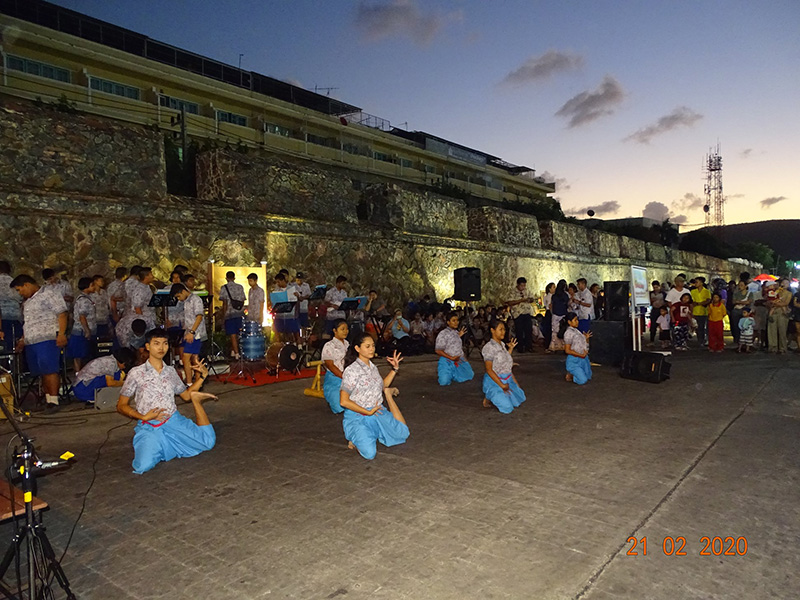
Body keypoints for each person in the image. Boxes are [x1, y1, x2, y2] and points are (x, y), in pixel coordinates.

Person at [117, 328, 217, 475]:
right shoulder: (136, 373)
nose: (161, 348)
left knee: (207, 442)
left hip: (173, 420)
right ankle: (161, 444)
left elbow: (186, 396)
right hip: (149, 425)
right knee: (142, 466)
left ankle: (198, 403)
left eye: (165, 343)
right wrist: (142, 417)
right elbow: (121, 406)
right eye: (156, 343)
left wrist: (202, 377)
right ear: (148, 346)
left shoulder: (171, 372)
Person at [339, 334, 408, 460]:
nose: (372, 349)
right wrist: (367, 411)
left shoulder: (372, 367)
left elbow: (382, 385)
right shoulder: (351, 370)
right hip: (359, 416)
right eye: (367, 346)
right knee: (369, 453)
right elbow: (343, 401)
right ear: (357, 348)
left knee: (402, 434)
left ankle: (372, 431)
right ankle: (355, 436)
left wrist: (394, 369)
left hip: (376, 411)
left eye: (373, 346)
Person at [10, 274, 68, 412]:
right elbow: (28, 323)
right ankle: (47, 399)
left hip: (47, 338)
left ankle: (54, 401)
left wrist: (61, 334)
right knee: (42, 371)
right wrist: (23, 340)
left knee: (50, 369)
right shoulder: (28, 301)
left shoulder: (49, 293)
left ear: (27, 285)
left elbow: (62, 313)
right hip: (32, 341)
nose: (20, 293)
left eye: (19, 290)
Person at [481, 320, 525, 413]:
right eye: (500, 329)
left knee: (520, 398)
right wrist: (502, 385)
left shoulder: (502, 344)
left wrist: (510, 349)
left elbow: (503, 360)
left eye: (504, 329)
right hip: (495, 380)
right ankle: (489, 395)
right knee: (507, 408)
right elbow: (489, 370)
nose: (503, 332)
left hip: (507, 377)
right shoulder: (489, 347)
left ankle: (496, 395)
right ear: (492, 330)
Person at [171, 283, 207, 383]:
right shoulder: (186, 301)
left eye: (178, 296)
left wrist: (192, 332)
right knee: (194, 359)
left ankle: (189, 383)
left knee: (186, 357)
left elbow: (199, 317)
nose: (179, 299)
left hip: (196, 334)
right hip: (190, 333)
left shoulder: (195, 299)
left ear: (183, 291)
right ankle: (198, 381)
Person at [67, 276, 97, 372]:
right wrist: (87, 330)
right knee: (78, 355)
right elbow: (82, 316)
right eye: (92, 285)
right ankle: (77, 374)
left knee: (83, 355)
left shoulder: (87, 298)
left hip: (83, 331)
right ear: (86, 287)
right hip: (81, 331)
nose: (94, 287)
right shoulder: (83, 300)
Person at [435, 311, 473, 386]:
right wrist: (451, 358)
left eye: (457, 320)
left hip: (458, 360)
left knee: (470, 375)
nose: (456, 322)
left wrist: (464, 360)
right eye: (453, 321)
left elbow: (458, 348)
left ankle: (453, 373)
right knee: (444, 382)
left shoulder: (457, 333)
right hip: (447, 360)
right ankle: (446, 372)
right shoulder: (443, 333)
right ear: (448, 322)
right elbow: (438, 350)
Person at [321, 319, 349, 414]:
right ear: (334, 331)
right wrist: (343, 377)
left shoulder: (347, 344)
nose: (346, 331)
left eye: (347, 329)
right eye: (342, 329)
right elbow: (330, 365)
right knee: (339, 404)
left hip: (348, 375)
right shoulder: (329, 346)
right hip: (335, 378)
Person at [220, 271, 246, 359]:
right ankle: (235, 351)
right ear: (234, 278)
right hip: (240, 313)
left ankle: (236, 354)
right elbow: (243, 300)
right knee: (240, 333)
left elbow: (225, 303)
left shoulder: (224, 288)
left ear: (226, 278)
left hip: (230, 313)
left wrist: (223, 315)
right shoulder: (240, 287)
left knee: (232, 334)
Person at [561, 312, 592, 385]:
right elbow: (567, 350)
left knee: (588, 376)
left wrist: (586, 339)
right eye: (575, 320)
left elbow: (584, 344)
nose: (577, 322)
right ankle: (571, 375)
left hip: (583, 358)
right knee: (582, 380)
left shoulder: (577, 331)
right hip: (574, 359)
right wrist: (580, 355)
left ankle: (575, 373)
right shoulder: (568, 333)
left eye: (577, 320)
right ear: (569, 322)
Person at [506, 277, 534, 353]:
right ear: (518, 285)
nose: (523, 287)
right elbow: (509, 302)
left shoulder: (527, 291)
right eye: (522, 285)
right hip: (518, 314)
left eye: (524, 285)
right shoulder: (512, 292)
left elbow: (533, 299)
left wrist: (530, 300)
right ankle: (520, 347)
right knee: (519, 331)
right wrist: (520, 300)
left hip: (527, 312)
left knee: (528, 330)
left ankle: (529, 346)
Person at [0, 260, 23, 352]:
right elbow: (21, 298)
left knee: (3, 348)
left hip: (1, 320)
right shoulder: (14, 282)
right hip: (15, 317)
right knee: (15, 346)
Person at [271, 272, 300, 342]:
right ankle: (279, 345)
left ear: (283, 280)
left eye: (278, 282)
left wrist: (297, 296)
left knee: (294, 331)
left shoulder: (292, 289)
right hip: (279, 315)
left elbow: (299, 299)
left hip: (290, 315)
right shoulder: (277, 290)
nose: (278, 284)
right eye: (276, 282)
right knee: (277, 330)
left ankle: (299, 346)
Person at [767, 278, 793, 354]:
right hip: (774, 311)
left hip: (782, 312)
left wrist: (776, 303)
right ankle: (772, 346)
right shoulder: (775, 292)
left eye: (787, 283)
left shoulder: (789, 293)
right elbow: (769, 300)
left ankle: (782, 347)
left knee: (782, 330)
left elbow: (786, 303)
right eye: (783, 283)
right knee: (772, 330)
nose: (784, 284)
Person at [548, 280, 569, 352]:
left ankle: (554, 346)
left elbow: (551, 305)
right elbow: (568, 304)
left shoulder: (554, 296)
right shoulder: (565, 295)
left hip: (555, 315)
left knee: (554, 331)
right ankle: (563, 346)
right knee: (563, 331)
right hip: (563, 315)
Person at [690, 277, 711, 346]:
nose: (695, 283)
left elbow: (708, 300)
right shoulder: (693, 292)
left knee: (701, 326)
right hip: (695, 311)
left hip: (703, 311)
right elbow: (691, 302)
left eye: (697, 282)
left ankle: (702, 340)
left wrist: (699, 303)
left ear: (701, 283)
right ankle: (700, 340)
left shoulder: (706, 291)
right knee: (696, 327)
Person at [91, 274, 111, 340]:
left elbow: (108, 304)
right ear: (95, 281)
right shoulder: (91, 294)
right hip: (95, 320)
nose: (103, 282)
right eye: (101, 281)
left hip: (105, 319)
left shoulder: (104, 292)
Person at [542, 282, 555, 349]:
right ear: (549, 289)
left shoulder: (546, 296)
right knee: (550, 329)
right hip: (550, 313)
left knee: (548, 329)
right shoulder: (551, 296)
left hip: (547, 313)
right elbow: (549, 306)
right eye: (553, 287)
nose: (555, 289)